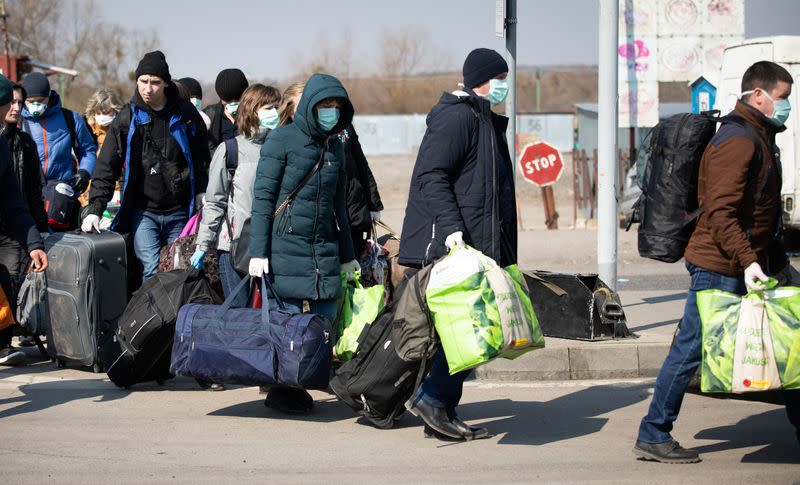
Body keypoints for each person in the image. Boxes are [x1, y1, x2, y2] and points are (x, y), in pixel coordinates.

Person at [634, 61, 799, 463]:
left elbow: (758, 210)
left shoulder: (758, 134)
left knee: (791, 341)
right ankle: (653, 433)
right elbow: (720, 212)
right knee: (689, 349)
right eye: (783, 98)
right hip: (720, 264)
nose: (787, 106)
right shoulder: (739, 140)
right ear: (757, 95)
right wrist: (748, 262)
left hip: (752, 259)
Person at [398, 48, 516, 441]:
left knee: (468, 330)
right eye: (500, 78)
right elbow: (431, 175)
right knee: (471, 329)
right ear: (482, 79)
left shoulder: (481, 118)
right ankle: (432, 398)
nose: (504, 85)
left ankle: (442, 410)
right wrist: (452, 229)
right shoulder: (457, 117)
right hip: (458, 241)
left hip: (480, 239)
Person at [248, 72, 359, 414]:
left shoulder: (336, 145)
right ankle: (284, 389)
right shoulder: (280, 140)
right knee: (288, 325)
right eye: (324, 104)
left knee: (325, 323)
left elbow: (339, 205)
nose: (330, 111)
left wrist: (348, 255)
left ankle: (308, 378)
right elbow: (263, 199)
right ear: (309, 104)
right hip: (285, 247)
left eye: (336, 106)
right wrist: (258, 252)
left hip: (323, 248)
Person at [82, 50, 210, 282]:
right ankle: (151, 319)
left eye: (155, 82)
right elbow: (106, 166)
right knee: (150, 271)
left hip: (179, 210)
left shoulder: (185, 113)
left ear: (166, 84)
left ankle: (176, 319)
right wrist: (95, 208)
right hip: (144, 212)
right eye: (143, 81)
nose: (147, 88)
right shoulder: (127, 117)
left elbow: (202, 155)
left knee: (177, 272)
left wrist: (202, 188)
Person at [192, 84, 281, 307]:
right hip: (234, 247)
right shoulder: (229, 150)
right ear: (252, 110)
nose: (274, 113)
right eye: (268, 107)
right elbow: (215, 201)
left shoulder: (282, 148)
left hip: (273, 246)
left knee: (271, 316)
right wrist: (203, 244)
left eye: (276, 107)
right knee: (238, 315)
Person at [0, 74, 48, 365]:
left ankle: (3, 345)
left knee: (6, 277)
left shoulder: (1, 146)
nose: (10, 111)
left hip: (6, 228)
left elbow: (14, 201)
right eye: (6, 105)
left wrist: (34, 243)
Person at [20, 72, 97, 229]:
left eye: (40, 101)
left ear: (49, 96)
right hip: (28, 197)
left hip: (62, 197)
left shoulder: (70, 118)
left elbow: (88, 150)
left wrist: (84, 172)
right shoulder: (17, 121)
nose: (35, 106)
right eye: (30, 101)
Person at [1, 83, 46, 232]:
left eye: (20, 102)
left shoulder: (26, 142)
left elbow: (35, 189)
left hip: (22, 224)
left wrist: (41, 224)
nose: (17, 108)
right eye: (12, 102)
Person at [340, 123, 383, 255]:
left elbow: (362, 164)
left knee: (355, 269)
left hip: (355, 213)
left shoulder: (346, 126)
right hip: (328, 219)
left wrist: (373, 204)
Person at [203, 68, 249, 156]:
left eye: (238, 99)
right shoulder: (209, 115)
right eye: (228, 100)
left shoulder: (254, 114)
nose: (233, 104)